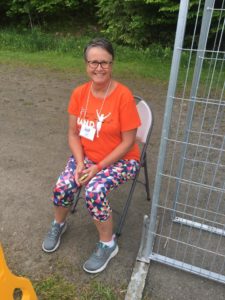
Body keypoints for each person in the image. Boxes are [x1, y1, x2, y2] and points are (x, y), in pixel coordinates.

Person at [42, 37, 141, 274]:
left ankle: (108, 244)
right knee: (63, 185)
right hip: (87, 157)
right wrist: (79, 163)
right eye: (94, 62)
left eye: (104, 62)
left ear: (112, 64)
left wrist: (97, 168)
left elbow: (128, 143)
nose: (99, 68)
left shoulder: (123, 96)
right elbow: (73, 134)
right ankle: (59, 224)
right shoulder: (79, 93)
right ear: (86, 64)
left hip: (122, 159)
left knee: (94, 190)